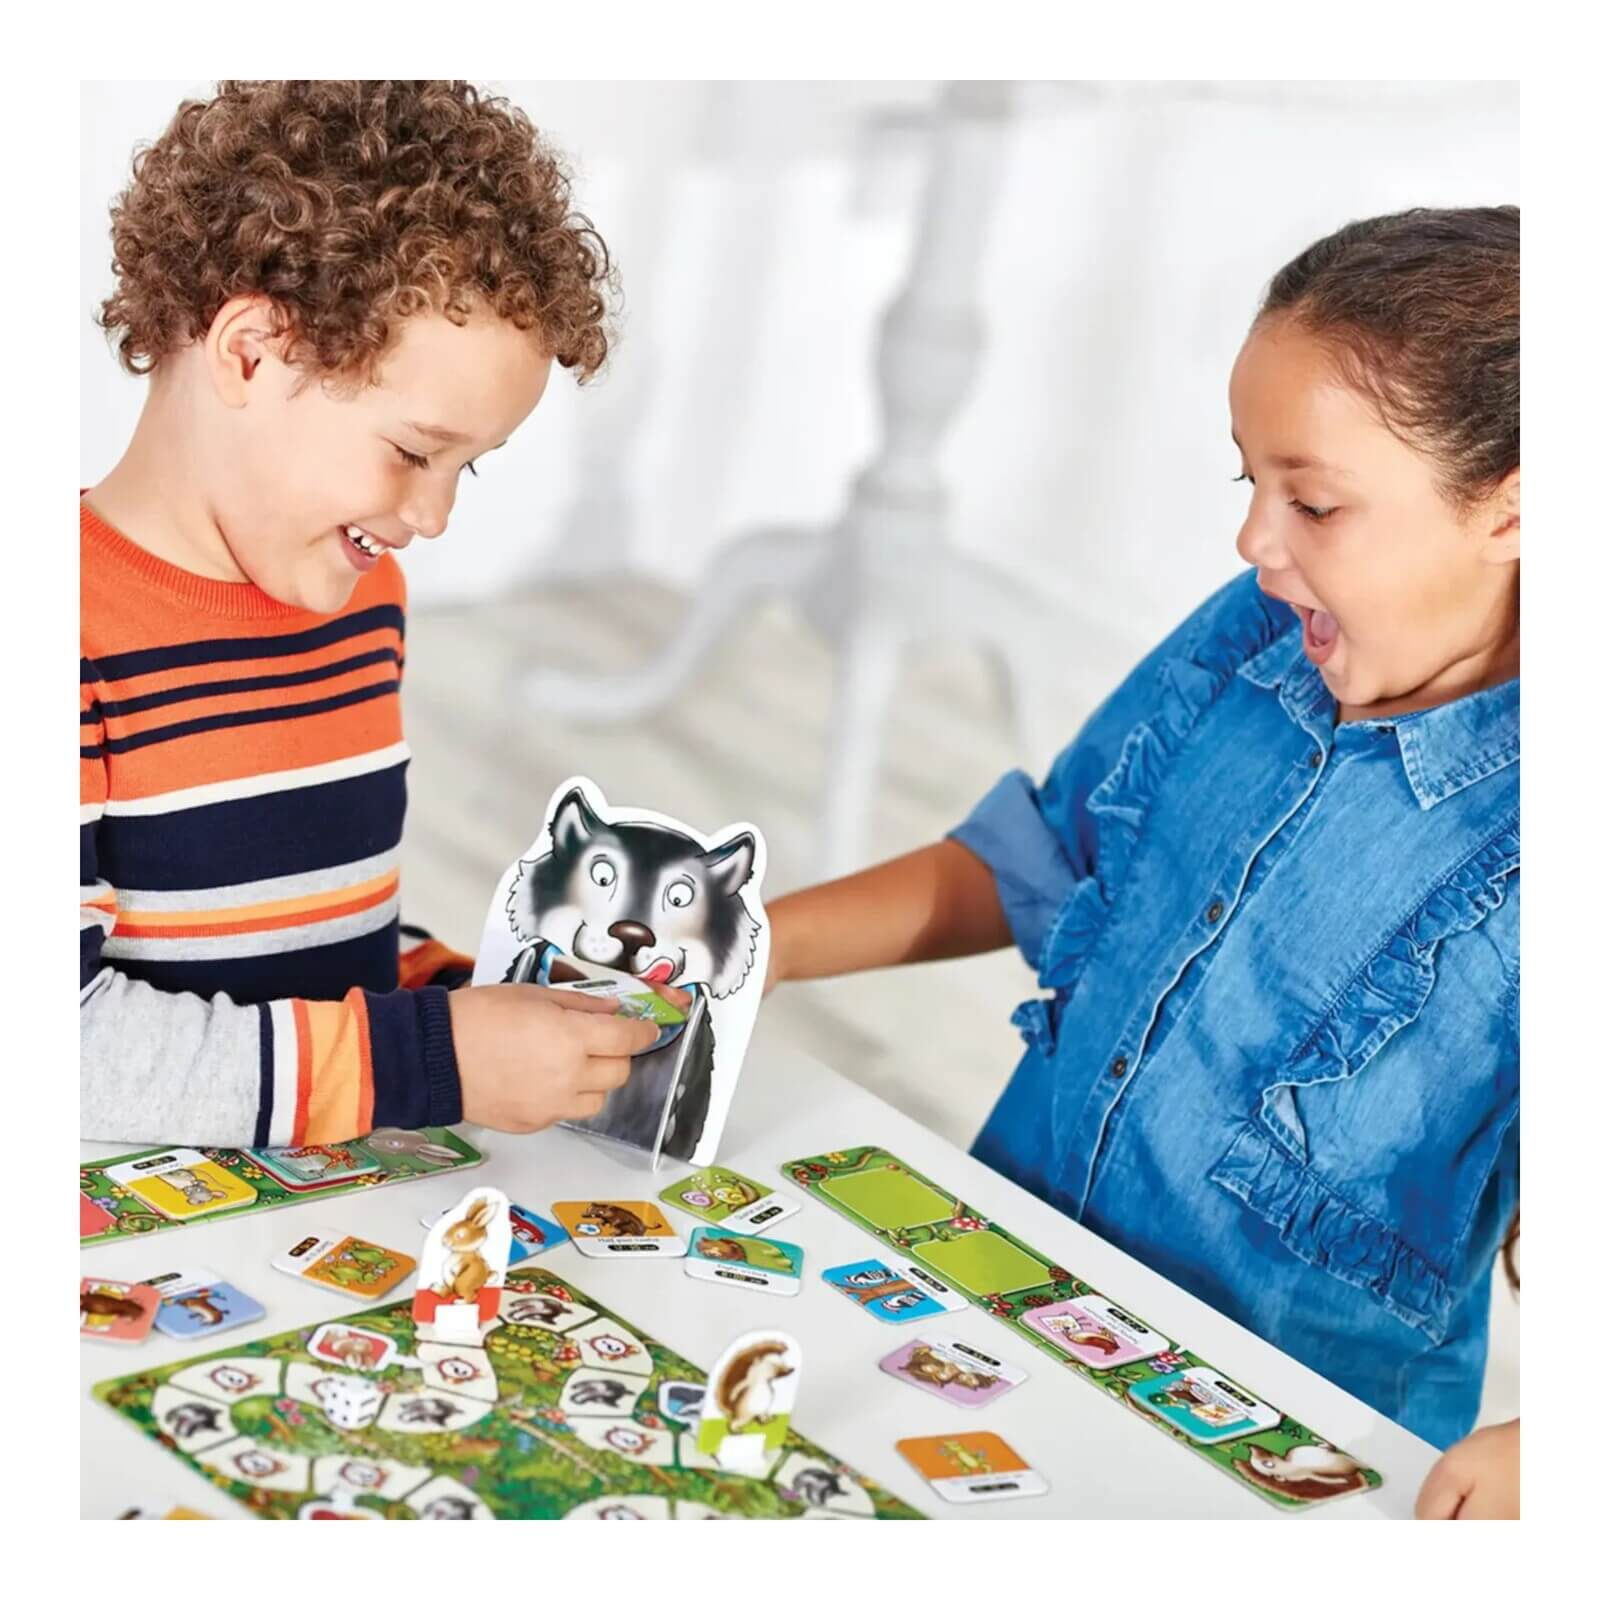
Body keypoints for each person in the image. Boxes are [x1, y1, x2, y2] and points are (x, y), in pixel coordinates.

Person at [765, 206, 1520, 1517]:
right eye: (1250, 485)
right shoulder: (1259, 630)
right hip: (982, 1318)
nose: (1255, 545)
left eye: (1314, 502)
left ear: (1515, 507)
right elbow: (1044, 857)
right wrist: (746, 942)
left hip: (1252, 1472)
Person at [81, 80, 669, 1147]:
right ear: (249, 352)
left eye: (465, 469)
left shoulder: (359, 599)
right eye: (410, 452)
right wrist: (430, 1057)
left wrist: (460, 996)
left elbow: (306, 944)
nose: (433, 518)